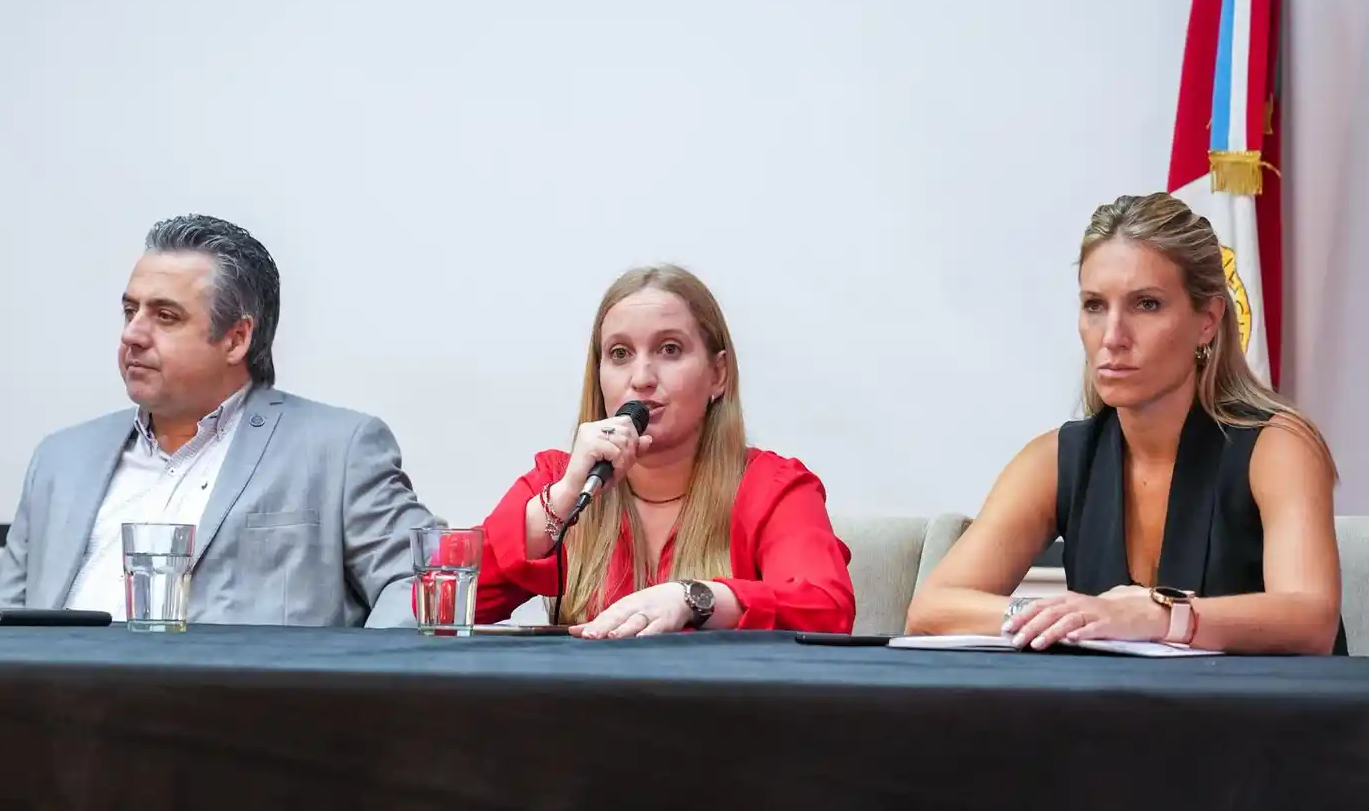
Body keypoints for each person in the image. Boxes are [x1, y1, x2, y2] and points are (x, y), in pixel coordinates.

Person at [906, 193, 1345, 655]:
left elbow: (1309, 620)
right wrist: (1071, 616)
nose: (1112, 337)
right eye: (1095, 305)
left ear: (1208, 321)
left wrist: (1157, 617)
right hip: (1120, 719)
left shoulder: (1278, 445)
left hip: (1272, 720)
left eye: (1147, 305)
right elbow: (931, 611)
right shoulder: (1057, 458)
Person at [0, 214, 440, 626]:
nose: (132, 335)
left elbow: (423, 579)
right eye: (130, 311)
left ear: (236, 339)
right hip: (62, 705)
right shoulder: (60, 459)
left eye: (165, 316)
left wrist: (351, 690)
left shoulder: (339, 450)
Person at [473, 264, 855, 638]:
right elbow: (442, 601)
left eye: (669, 349)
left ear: (718, 375)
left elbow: (825, 609)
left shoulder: (772, 487)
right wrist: (563, 499)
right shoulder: (558, 480)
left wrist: (694, 599)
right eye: (620, 354)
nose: (641, 379)